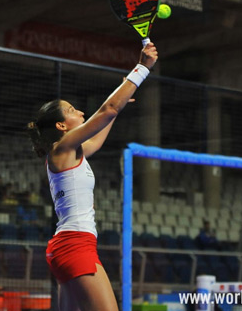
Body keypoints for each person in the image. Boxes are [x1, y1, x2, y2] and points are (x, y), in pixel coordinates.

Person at [26, 42, 158, 310]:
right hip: (75, 244)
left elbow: (101, 129)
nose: (81, 112)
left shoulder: (70, 151)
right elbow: (106, 110)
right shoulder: (62, 147)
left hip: (67, 245)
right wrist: (142, 68)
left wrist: (119, 105)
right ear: (61, 125)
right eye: (73, 111)